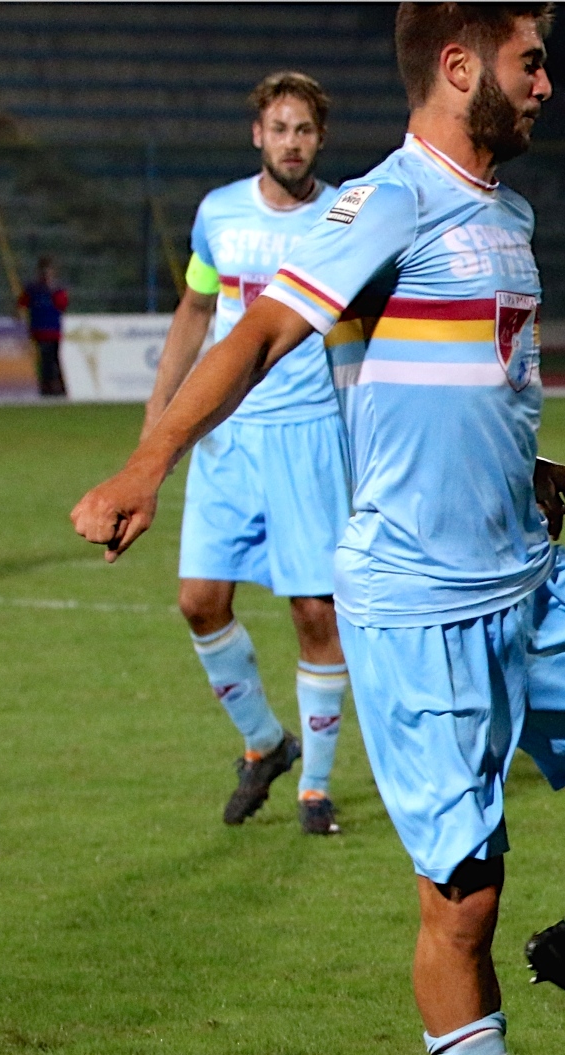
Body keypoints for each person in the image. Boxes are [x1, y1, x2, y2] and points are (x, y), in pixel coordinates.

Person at [70, 6, 565, 1055]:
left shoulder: (507, 217)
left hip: (528, 574)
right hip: (419, 603)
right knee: (463, 898)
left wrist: (530, 468)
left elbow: (468, 380)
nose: (548, 84)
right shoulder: (384, 203)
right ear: (461, 67)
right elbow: (260, 329)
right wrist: (152, 459)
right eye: (531, 63)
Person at [149, 70, 354, 835]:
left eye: (304, 130)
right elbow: (197, 309)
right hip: (227, 438)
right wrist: (158, 421)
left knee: (313, 613)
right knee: (199, 602)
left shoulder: (344, 217)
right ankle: (266, 744)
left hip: (308, 436)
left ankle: (317, 791)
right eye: (279, 128)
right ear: (258, 135)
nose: (291, 142)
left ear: (319, 139)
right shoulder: (219, 214)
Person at [18, 256, 66, 396]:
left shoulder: (57, 289)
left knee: (54, 360)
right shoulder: (33, 289)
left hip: (53, 331)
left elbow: (62, 305)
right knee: (44, 361)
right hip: (38, 330)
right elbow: (22, 303)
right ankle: (46, 387)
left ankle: (56, 387)